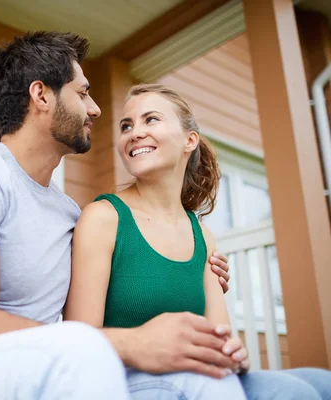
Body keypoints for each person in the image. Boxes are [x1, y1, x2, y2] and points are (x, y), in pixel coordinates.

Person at [0, 32, 233, 399]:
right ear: (41, 95)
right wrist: (132, 343)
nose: (95, 109)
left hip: (31, 377)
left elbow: (125, 276)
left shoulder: (68, 215)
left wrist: (194, 270)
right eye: (83, 92)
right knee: (86, 359)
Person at [64, 83, 331, 400]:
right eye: (127, 125)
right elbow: (80, 341)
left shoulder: (201, 234)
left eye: (151, 120)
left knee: (314, 385)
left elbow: (218, 338)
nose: (134, 133)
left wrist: (233, 354)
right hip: (124, 380)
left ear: (189, 140)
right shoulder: (103, 218)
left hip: (198, 376)